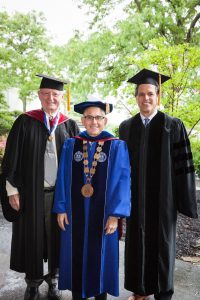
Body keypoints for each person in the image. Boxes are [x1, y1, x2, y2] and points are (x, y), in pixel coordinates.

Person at [119, 69, 198, 300]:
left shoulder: (172, 126)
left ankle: (163, 293)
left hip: (164, 202)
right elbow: (120, 170)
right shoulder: (126, 127)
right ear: (136, 97)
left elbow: (184, 167)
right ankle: (139, 290)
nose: (146, 98)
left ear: (158, 96)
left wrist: (184, 201)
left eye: (150, 94)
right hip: (134, 202)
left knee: (162, 246)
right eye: (141, 94)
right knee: (135, 245)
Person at [0, 74, 80, 300]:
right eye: (46, 94)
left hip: (60, 196)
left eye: (55, 95)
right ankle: (33, 282)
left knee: (57, 237)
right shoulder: (25, 122)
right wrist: (11, 190)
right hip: (30, 194)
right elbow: (11, 160)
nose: (51, 98)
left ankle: (54, 280)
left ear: (62, 97)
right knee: (32, 238)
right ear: (39, 96)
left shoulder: (69, 125)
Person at [52, 99, 131, 300]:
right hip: (73, 212)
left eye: (98, 117)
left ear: (105, 120)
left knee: (101, 259)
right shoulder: (72, 144)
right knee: (75, 256)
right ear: (83, 120)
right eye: (89, 117)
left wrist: (115, 215)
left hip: (104, 214)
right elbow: (61, 177)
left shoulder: (116, 146)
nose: (93, 122)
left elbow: (123, 180)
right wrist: (60, 208)